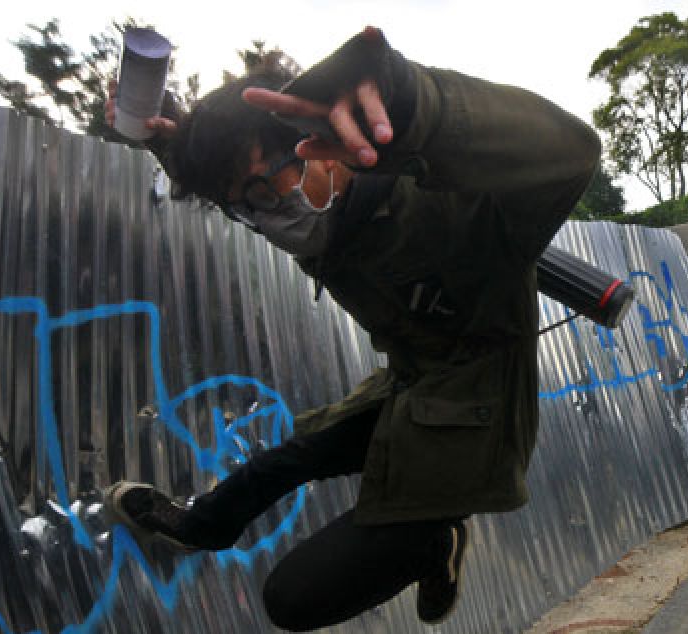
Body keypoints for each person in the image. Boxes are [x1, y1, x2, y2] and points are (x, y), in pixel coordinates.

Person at [102, 28, 601, 630]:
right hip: (409, 390)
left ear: (322, 148)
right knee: (281, 461)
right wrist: (172, 142)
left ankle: (434, 543)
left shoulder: (459, 211)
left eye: (267, 190)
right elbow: (232, 175)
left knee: (292, 600)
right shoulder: (317, 211)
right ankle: (200, 526)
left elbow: (572, 153)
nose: (268, 219)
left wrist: (416, 101)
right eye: (245, 208)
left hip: (476, 417)